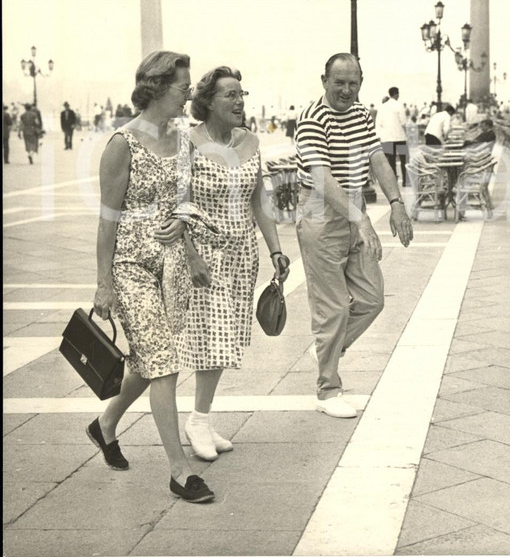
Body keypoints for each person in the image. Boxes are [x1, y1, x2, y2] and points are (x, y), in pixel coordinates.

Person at [90, 50, 216, 504]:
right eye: (183, 88)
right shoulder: (122, 143)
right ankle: (180, 471)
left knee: (148, 360)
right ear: (158, 88)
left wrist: (184, 227)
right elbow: (107, 219)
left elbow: (185, 198)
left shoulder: (182, 138)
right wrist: (103, 282)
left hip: (172, 265)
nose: (189, 94)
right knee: (162, 360)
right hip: (131, 266)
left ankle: (105, 425)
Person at [156, 66, 290, 461]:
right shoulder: (188, 142)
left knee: (222, 338)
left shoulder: (249, 140)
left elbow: (259, 201)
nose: (240, 101)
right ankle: (197, 420)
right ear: (208, 102)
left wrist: (276, 250)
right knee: (208, 339)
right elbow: (177, 203)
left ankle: (198, 417)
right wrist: (191, 255)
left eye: (241, 94)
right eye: (230, 95)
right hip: (202, 254)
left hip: (241, 254)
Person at [295, 53, 413, 418]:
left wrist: (396, 202)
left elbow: (377, 158)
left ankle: (328, 348)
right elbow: (321, 177)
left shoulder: (362, 114)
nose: (346, 90)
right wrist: (361, 220)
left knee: (372, 298)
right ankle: (327, 391)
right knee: (332, 307)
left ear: (361, 83)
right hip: (320, 211)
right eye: (339, 82)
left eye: (353, 83)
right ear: (324, 80)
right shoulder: (312, 119)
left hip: (352, 208)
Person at [376, 87, 408, 187]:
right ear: (395, 94)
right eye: (398, 94)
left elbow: (379, 123)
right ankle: (405, 180)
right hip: (400, 137)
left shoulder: (382, 107)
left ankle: (393, 181)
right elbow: (403, 122)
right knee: (403, 160)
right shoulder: (399, 106)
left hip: (387, 138)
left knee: (391, 161)